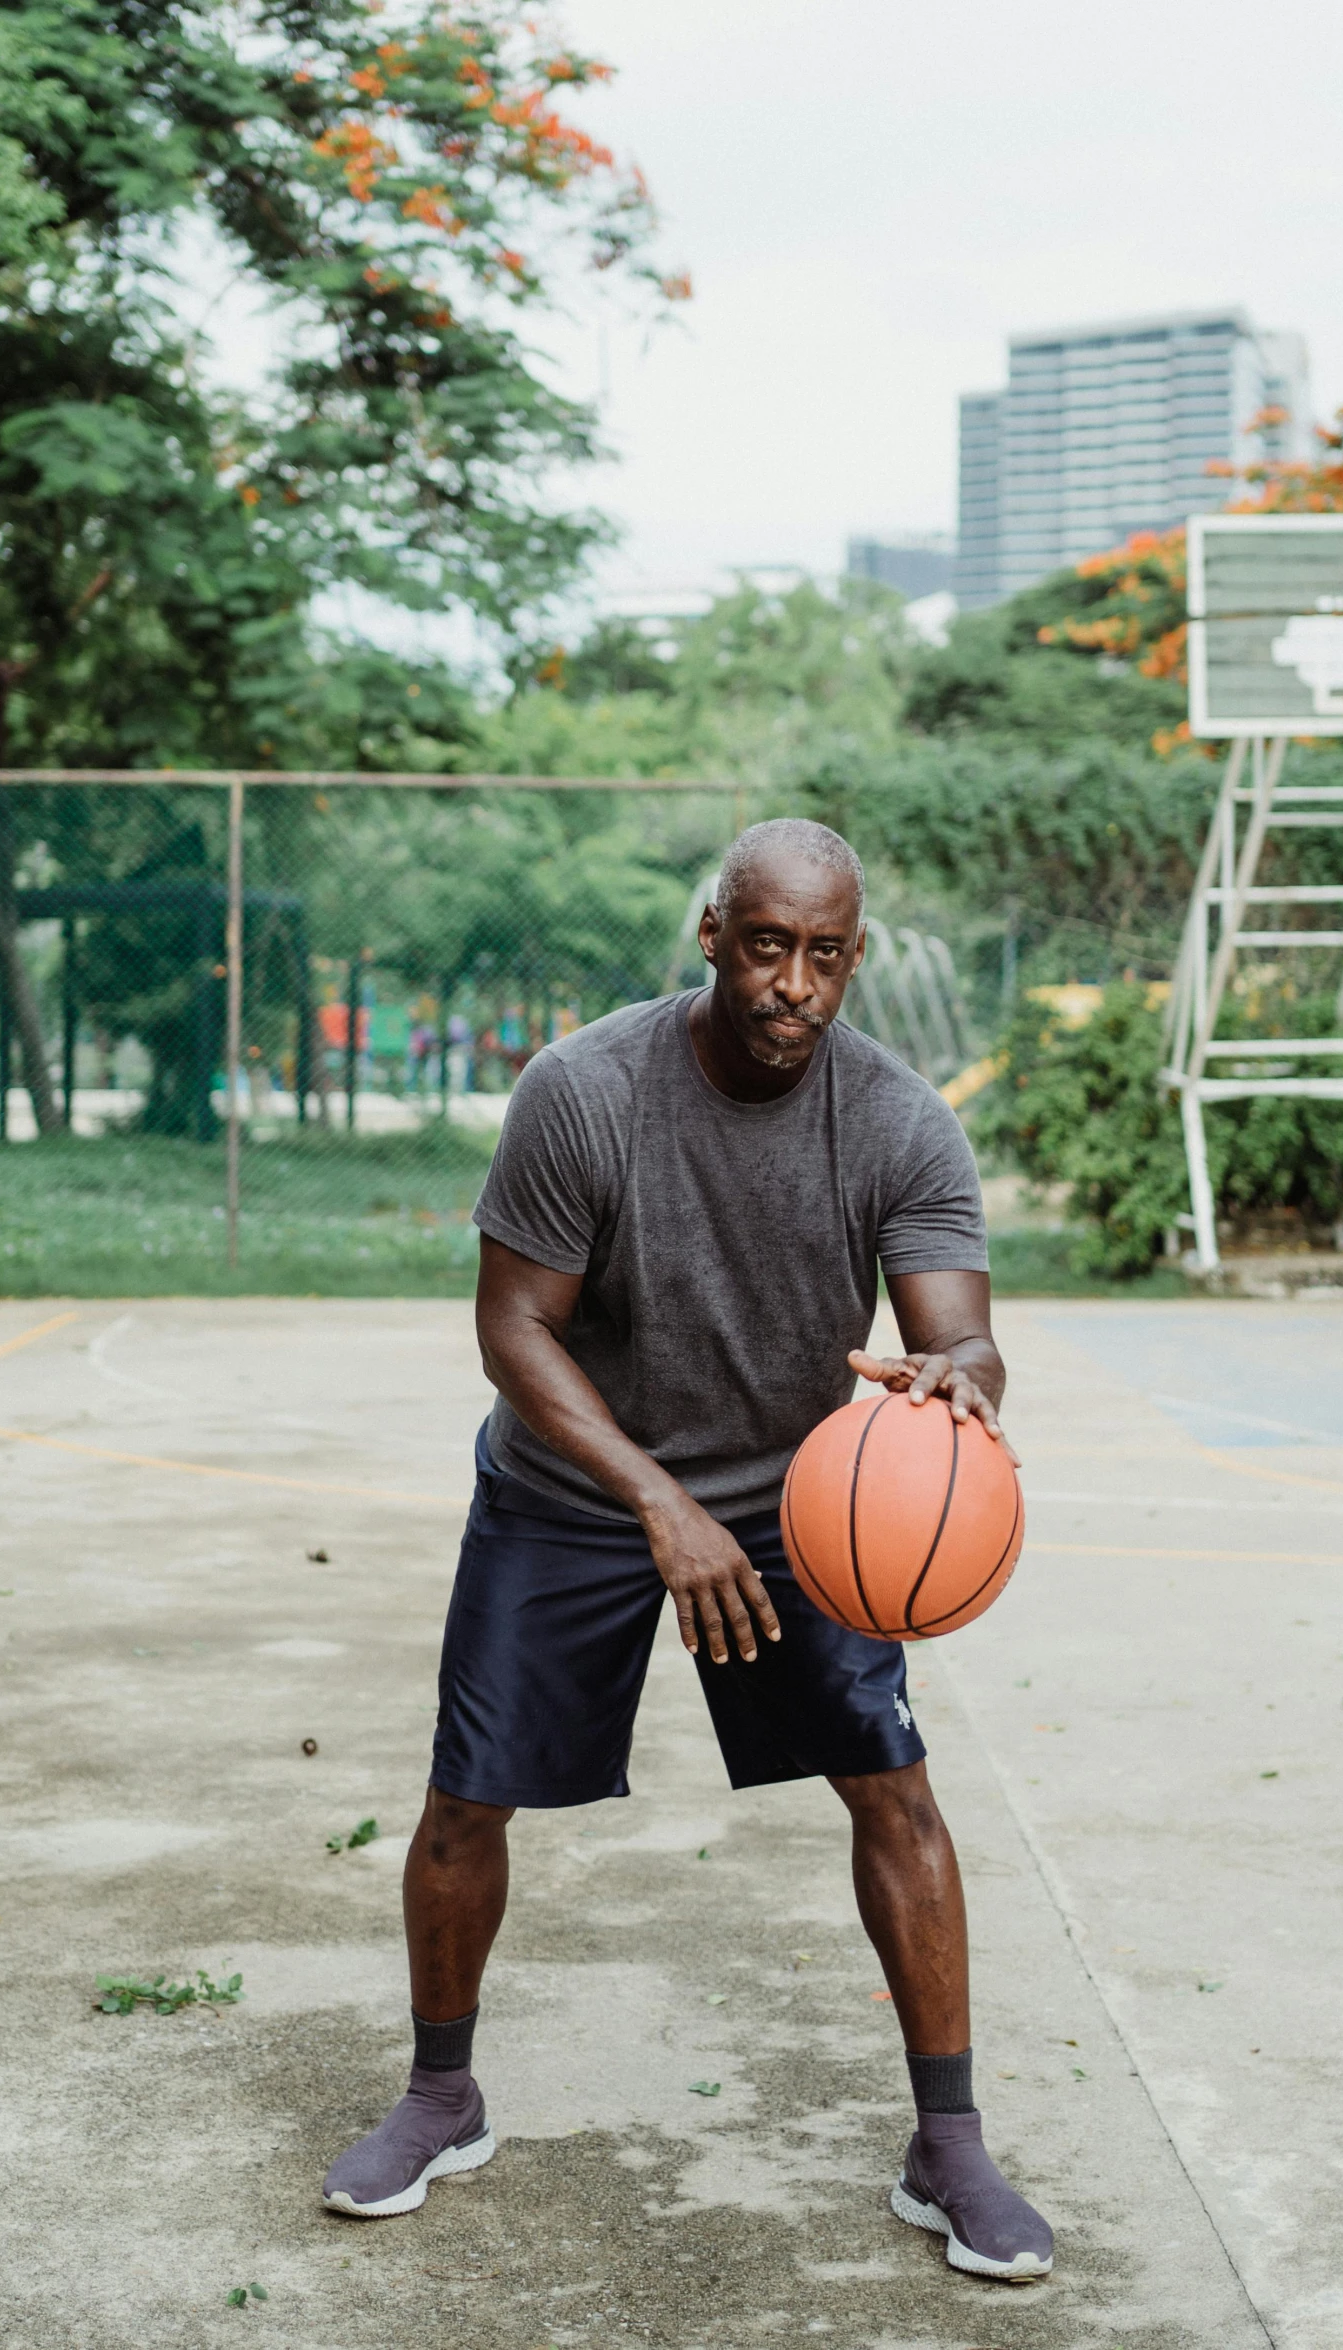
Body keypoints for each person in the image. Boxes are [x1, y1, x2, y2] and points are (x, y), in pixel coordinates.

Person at [320, 818, 1053, 2283]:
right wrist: (658, 1501)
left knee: (895, 1794)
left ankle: (948, 2142)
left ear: (854, 957)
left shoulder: (898, 1120)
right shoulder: (587, 1089)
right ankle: (440, 2093)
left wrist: (961, 1377)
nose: (794, 983)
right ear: (713, 935)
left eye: (825, 954)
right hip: (577, 1485)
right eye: (768, 945)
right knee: (466, 1801)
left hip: (796, 1501)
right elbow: (512, 1329)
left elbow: (956, 1329)